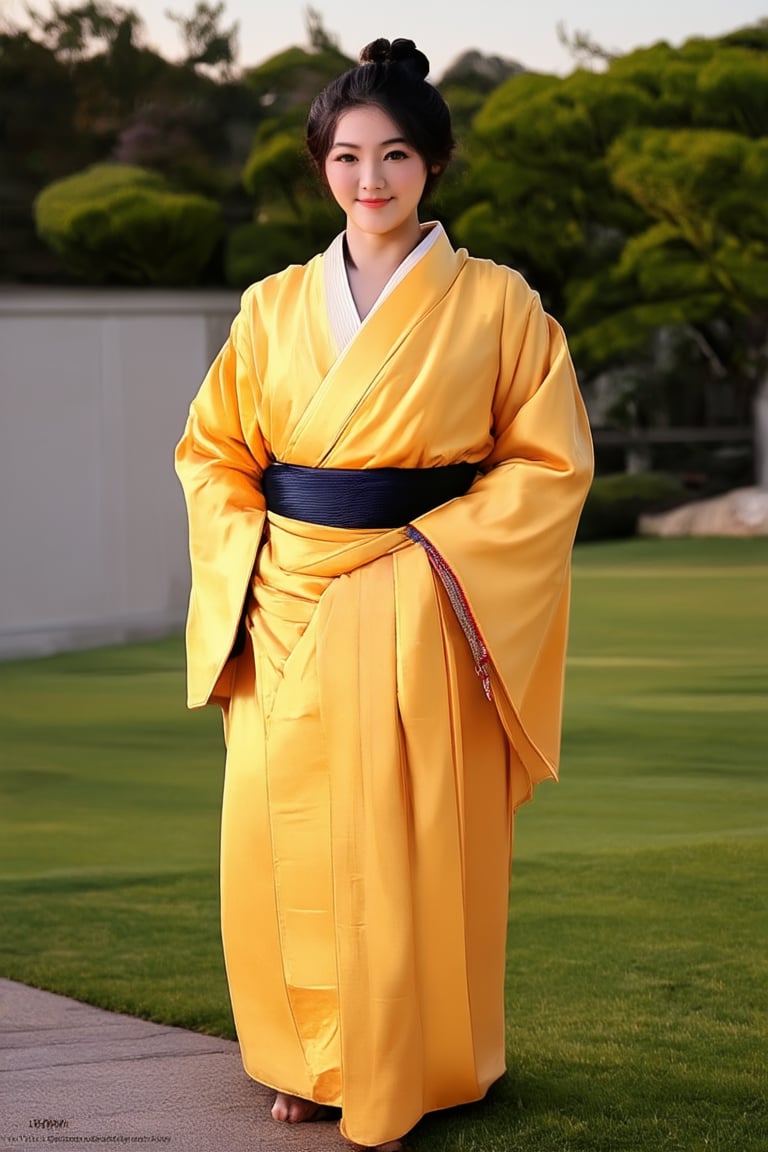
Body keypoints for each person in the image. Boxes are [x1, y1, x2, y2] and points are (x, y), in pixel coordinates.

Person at [175, 36, 593, 1152]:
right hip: (288, 606)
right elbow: (214, 453)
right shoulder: (270, 309)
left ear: (434, 166)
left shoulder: (501, 305)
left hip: (426, 604)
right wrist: (254, 560)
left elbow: (547, 464)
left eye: (396, 155)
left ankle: (426, 1059)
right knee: (287, 846)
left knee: (416, 845)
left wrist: (424, 564)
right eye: (349, 156)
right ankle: (306, 1061)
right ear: (321, 166)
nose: (372, 180)